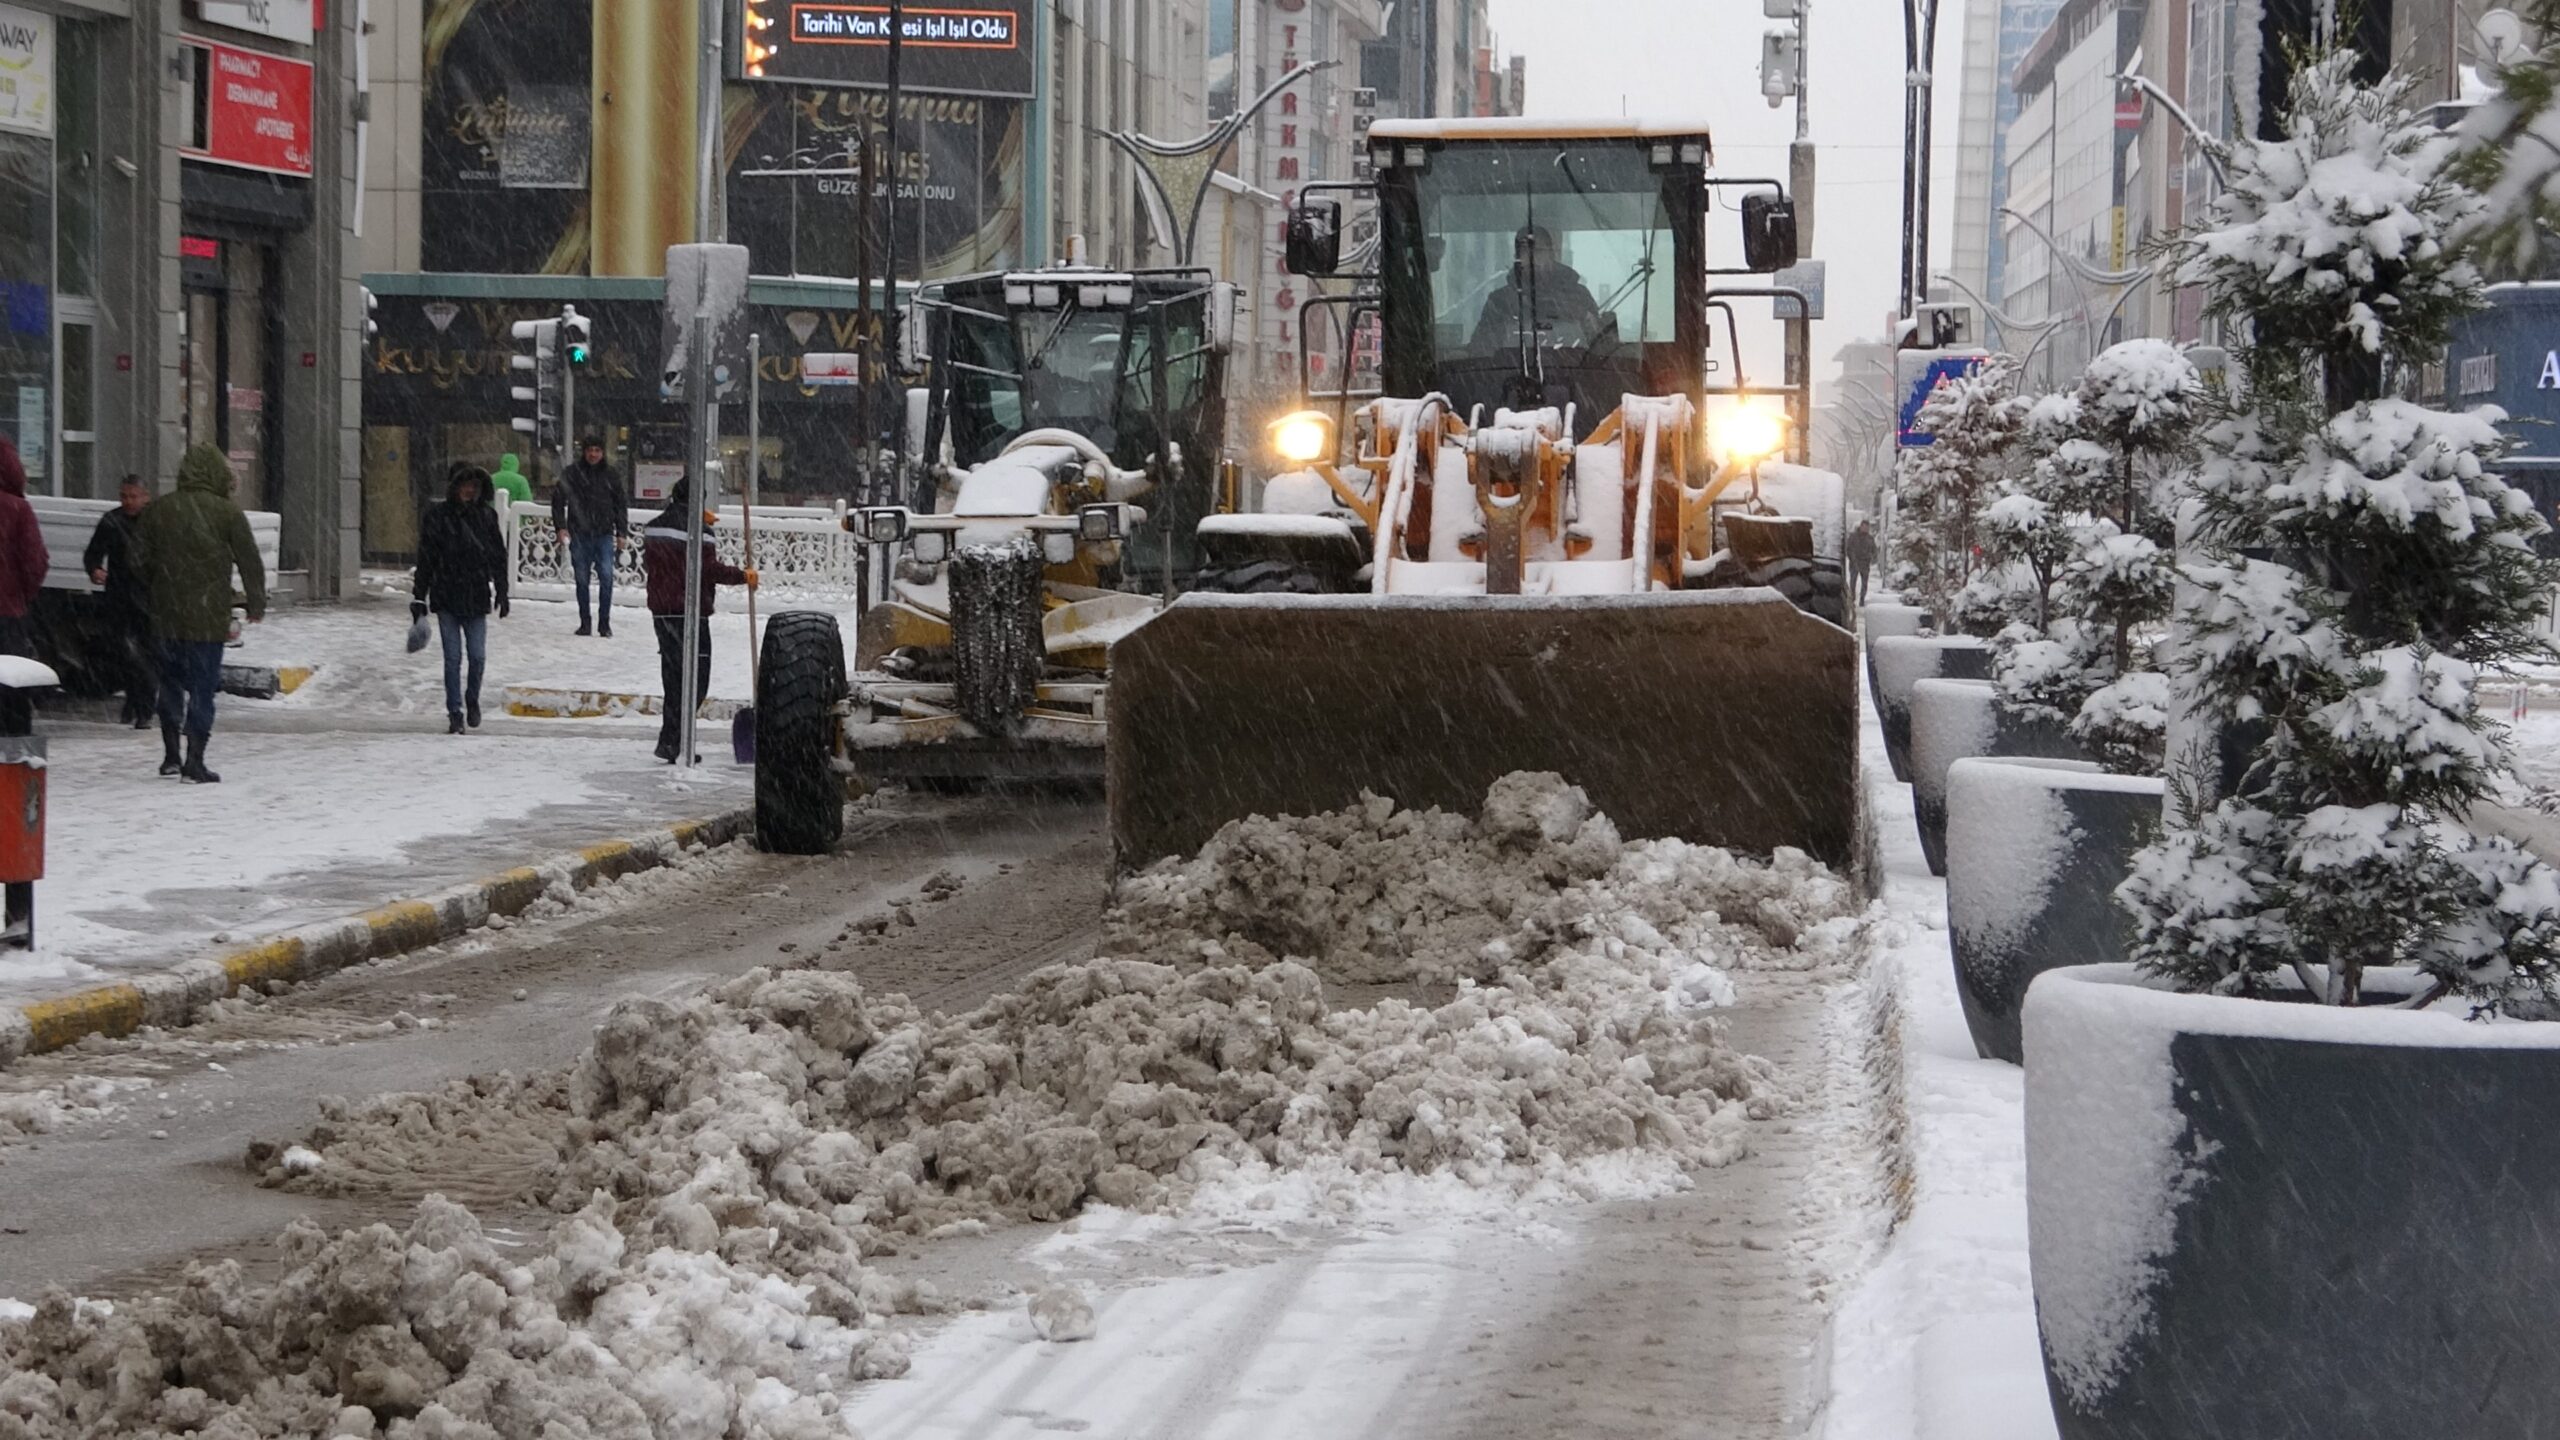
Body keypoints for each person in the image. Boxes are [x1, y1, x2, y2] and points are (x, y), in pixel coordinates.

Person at [140, 443, 265, 783]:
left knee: (169, 684)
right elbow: (250, 560)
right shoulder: (227, 513)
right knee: (202, 689)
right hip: (207, 619)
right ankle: (195, 761)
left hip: (165, 617)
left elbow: (135, 560)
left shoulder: (160, 510)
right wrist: (255, 602)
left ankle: (170, 756)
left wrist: (158, 585)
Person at [642, 480, 755, 763]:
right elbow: (708, 569)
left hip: (663, 610)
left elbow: (661, 563)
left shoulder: (654, 525)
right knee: (696, 679)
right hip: (690, 613)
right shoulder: (700, 532)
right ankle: (676, 741)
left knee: (673, 677)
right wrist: (743, 576)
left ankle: (671, 742)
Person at [414, 464, 511, 735]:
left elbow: (497, 557)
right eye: (464, 485)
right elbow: (426, 558)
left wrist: (502, 592)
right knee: (452, 658)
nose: (469, 491)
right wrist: (418, 597)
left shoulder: (486, 517)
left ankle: (472, 698)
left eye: (474, 486)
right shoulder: (437, 517)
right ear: (454, 487)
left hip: (476, 595)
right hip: (446, 595)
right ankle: (455, 712)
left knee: (478, 657)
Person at [84, 475, 156, 728]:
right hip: (119, 597)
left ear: (146, 497)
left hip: (149, 598)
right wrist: (94, 570)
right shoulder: (112, 521)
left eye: (133, 496)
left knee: (145, 655)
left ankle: (143, 708)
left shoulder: (155, 521)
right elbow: (93, 553)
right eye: (124, 496)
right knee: (124, 654)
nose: (128, 502)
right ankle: (133, 700)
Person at [1470, 226, 1610, 355]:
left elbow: (1601, 348)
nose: (1532, 257)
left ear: (1551, 255)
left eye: (1538, 251)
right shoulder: (1500, 301)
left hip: (1576, 375)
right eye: (1524, 251)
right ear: (1516, 257)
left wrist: (1582, 318)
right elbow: (1481, 350)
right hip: (1510, 378)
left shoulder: (1579, 296)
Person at [553, 435, 628, 637]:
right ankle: (585, 622)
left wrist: (622, 532)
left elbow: (620, 504)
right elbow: (558, 500)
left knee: (606, 577)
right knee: (581, 579)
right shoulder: (572, 474)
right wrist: (560, 527)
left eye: (597, 450)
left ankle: (604, 622)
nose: (593, 454)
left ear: (602, 452)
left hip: (604, 533)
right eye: (589, 450)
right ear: (584, 452)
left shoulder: (611, 475)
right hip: (579, 534)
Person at [0, 438, 47, 737]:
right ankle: (13, 762)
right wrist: (22, 595)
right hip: (8, 613)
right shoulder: (18, 509)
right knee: (12, 687)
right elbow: (35, 562)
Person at [1845, 518, 1878, 607]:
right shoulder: (1853, 537)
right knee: (1853, 582)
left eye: (1867, 527)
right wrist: (1853, 559)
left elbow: (1874, 550)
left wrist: (1872, 557)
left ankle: (1862, 599)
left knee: (1864, 584)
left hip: (1865, 564)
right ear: (1861, 526)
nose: (1866, 529)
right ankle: (1852, 599)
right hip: (1854, 563)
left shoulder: (1870, 538)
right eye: (1864, 527)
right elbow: (1849, 549)